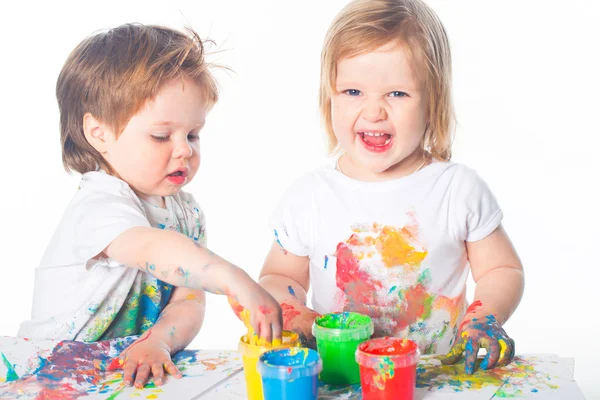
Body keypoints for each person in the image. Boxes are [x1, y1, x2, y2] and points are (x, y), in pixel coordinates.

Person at [258, 0, 523, 374]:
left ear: (433, 102)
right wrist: (295, 314)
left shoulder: (456, 189)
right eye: (353, 92)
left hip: (436, 376)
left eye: (397, 94)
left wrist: (483, 317)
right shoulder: (310, 196)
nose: (374, 111)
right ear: (328, 97)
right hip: (340, 378)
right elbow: (279, 276)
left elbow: (502, 269)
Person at [18, 23, 282, 387]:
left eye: (192, 134)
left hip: (113, 375)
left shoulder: (187, 214)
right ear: (100, 134)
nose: (185, 149)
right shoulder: (99, 204)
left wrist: (157, 340)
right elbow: (154, 249)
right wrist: (233, 279)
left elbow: (188, 301)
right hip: (48, 371)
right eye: (161, 136)